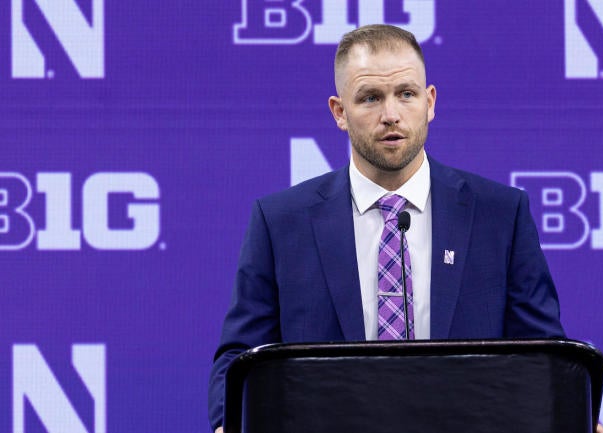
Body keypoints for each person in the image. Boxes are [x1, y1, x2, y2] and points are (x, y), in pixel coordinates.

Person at [209, 24, 583, 433]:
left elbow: (544, 359)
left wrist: (570, 416)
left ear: (430, 102)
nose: (391, 114)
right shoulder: (280, 221)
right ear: (339, 112)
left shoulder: (500, 215)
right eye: (370, 98)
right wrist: (227, 424)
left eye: (406, 93)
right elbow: (240, 356)